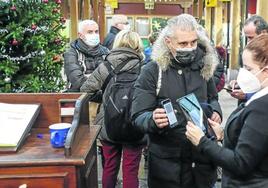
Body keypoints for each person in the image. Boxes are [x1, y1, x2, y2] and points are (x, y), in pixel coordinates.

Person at [131, 14, 222, 188]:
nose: (190, 48)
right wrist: (152, 119)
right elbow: (137, 115)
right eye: (183, 43)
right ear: (168, 41)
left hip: (201, 161)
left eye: (193, 42)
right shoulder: (152, 71)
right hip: (166, 165)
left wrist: (216, 112)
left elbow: (213, 98)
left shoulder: (205, 65)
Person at [186, 33, 268, 188]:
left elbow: (240, 163)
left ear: (266, 71)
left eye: (248, 68)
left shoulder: (262, 108)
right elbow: (255, 143)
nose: (242, 72)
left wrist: (202, 142)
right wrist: (223, 134)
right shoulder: (259, 97)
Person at [80, 30, 145, 188]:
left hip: (108, 124)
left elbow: (85, 90)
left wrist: (105, 98)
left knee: (109, 167)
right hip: (135, 123)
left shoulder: (106, 65)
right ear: (138, 44)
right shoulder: (144, 67)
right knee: (131, 170)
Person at [228, 15, 267, 102]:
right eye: (247, 38)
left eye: (251, 37)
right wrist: (241, 83)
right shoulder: (249, 51)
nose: (249, 42)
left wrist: (247, 95)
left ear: (263, 33)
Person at [64, 19, 109, 92]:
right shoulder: (72, 53)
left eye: (96, 32)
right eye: (90, 32)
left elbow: (112, 78)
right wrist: (101, 80)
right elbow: (78, 82)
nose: (94, 35)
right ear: (80, 35)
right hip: (79, 97)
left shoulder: (105, 52)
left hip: (102, 98)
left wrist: (89, 77)